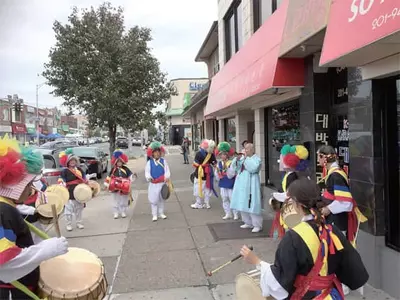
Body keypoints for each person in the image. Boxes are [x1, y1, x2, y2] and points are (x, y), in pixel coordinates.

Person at [240, 178, 369, 299]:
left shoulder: (293, 237)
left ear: (297, 204)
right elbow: (355, 273)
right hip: (331, 295)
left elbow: (278, 285)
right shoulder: (332, 230)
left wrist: (257, 262)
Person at [0, 136, 68, 300]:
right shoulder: (3, 211)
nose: (31, 188)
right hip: (12, 292)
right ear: (15, 187)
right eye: (27, 184)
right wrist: (47, 249)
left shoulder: (7, 207)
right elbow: (4, 261)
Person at [317, 145, 367, 246]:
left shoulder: (335, 176)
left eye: (319, 156)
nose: (318, 160)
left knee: (337, 250)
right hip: (335, 219)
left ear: (324, 158)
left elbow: (346, 203)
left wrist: (328, 209)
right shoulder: (335, 173)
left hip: (337, 221)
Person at [270, 144, 309, 239]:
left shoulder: (291, 176)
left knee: (291, 230)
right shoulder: (293, 174)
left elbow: (289, 194)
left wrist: (275, 195)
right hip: (292, 206)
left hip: (292, 207)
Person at [16, 147, 48, 244]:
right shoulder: (16, 185)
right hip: (24, 218)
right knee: (30, 240)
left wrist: (44, 207)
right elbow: (13, 205)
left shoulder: (39, 181)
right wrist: (32, 210)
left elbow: (43, 194)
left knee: (40, 237)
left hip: (37, 215)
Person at [230, 143, 263, 233]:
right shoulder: (243, 157)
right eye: (245, 149)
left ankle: (257, 225)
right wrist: (237, 160)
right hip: (241, 182)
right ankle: (247, 222)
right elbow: (236, 168)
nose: (245, 150)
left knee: (252, 203)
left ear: (252, 150)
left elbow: (253, 168)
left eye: (247, 149)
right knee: (242, 202)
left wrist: (245, 159)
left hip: (251, 183)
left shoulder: (257, 159)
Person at [58, 148, 88, 231]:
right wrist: (62, 184)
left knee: (79, 209)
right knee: (68, 209)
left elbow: (84, 178)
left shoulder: (80, 170)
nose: (73, 162)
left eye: (74, 161)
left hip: (79, 192)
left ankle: (79, 222)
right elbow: (61, 179)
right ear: (68, 162)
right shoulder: (65, 171)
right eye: (71, 161)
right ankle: (68, 224)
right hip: (69, 192)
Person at [105, 150, 135, 219]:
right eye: (118, 162)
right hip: (115, 187)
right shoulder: (113, 170)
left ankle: (123, 211)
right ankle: (116, 212)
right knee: (115, 200)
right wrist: (107, 185)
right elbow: (108, 177)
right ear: (115, 162)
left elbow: (130, 176)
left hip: (124, 187)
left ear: (122, 162)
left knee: (124, 200)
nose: (119, 163)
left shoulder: (126, 169)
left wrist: (133, 176)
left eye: (120, 162)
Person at [145, 142, 171, 221]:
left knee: (161, 199)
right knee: (154, 200)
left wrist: (166, 177)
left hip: (162, 183)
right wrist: (149, 178)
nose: (156, 154)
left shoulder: (163, 161)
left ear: (160, 153)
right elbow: (147, 172)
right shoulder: (149, 163)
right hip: (153, 184)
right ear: (152, 154)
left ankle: (161, 213)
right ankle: (154, 214)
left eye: (158, 152)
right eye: (155, 152)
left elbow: (167, 171)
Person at [214, 142, 238, 220]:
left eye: (224, 154)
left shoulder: (231, 163)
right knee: (224, 198)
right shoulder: (219, 163)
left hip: (230, 181)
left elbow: (232, 174)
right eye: (221, 154)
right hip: (223, 181)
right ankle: (228, 213)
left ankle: (235, 213)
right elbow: (217, 174)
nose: (222, 156)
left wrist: (227, 169)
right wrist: (217, 173)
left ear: (227, 155)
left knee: (232, 198)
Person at [191, 139, 217, 209]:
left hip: (200, 173)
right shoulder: (211, 154)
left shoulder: (199, 153)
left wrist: (200, 165)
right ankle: (207, 203)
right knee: (207, 188)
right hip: (208, 173)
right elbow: (214, 163)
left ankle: (198, 203)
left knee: (198, 187)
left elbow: (195, 164)